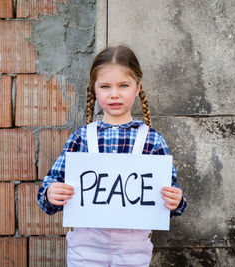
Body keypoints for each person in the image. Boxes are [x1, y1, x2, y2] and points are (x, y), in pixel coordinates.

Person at [38, 45, 187, 266]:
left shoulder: (153, 140)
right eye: (105, 86)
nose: (114, 94)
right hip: (85, 250)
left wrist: (175, 200)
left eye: (123, 85)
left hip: (134, 251)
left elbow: (169, 196)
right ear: (95, 90)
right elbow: (49, 187)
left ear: (137, 88)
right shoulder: (81, 138)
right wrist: (51, 192)